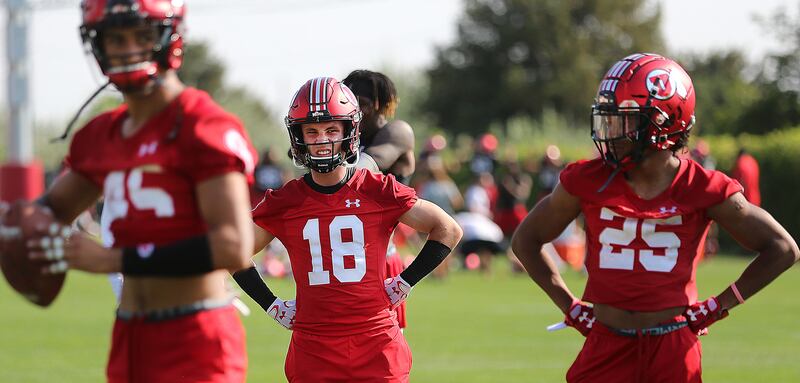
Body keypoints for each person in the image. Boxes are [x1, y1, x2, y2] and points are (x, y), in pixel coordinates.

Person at [3, 1, 258, 382]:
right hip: (129, 334)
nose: (126, 49)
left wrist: (114, 259)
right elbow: (51, 209)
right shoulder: (101, 134)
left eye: (141, 36)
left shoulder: (203, 125)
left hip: (195, 335)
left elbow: (232, 245)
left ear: (169, 37)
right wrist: (20, 228)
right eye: (115, 38)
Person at [511, 53, 799, 382]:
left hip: (673, 347)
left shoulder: (704, 187)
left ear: (664, 121)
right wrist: (570, 306)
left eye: (624, 119)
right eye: (609, 117)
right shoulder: (586, 179)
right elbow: (526, 240)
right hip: (606, 342)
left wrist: (718, 306)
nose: (610, 129)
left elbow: (782, 248)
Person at [232, 77, 462, 382]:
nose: (322, 139)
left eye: (331, 130)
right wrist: (271, 304)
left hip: (376, 340)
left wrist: (404, 282)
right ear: (298, 136)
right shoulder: (286, 202)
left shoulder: (376, 189)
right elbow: (232, 251)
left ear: (349, 133)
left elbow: (447, 228)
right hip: (314, 346)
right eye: (311, 131)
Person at [343, 70, 417, 331]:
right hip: (342, 260)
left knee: (384, 352)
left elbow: (365, 167)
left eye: (359, 103)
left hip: (380, 260)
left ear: (378, 104)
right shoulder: (346, 139)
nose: (353, 111)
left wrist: (324, 157)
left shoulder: (397, 132)